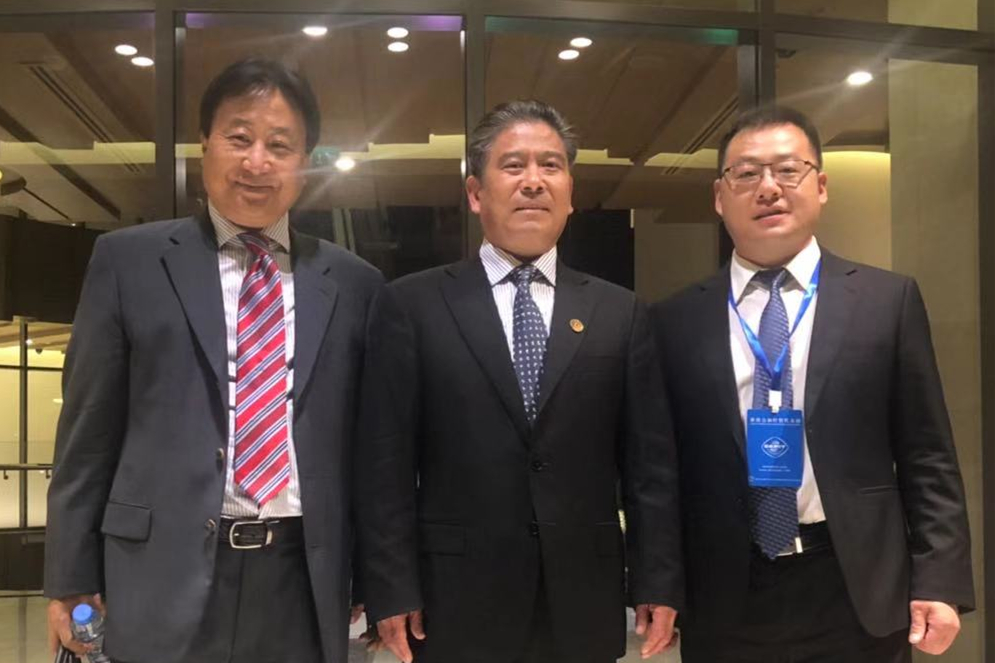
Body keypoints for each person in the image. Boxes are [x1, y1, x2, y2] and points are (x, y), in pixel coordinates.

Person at [44, 58, 381, 663]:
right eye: (239, 138)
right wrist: (70, 576)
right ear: (204, 145)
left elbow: (368, 449)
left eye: (280, 145)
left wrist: (372, 574)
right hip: (158, 569)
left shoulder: (354, 284)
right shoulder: (129, 262)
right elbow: (86, 434)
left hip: (301, 577)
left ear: (304, 162)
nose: (258, 162)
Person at [355, 100, 683, 663]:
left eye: (551, 165)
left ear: (570, 192)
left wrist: (657, 578)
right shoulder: (412, 305)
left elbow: (649, 468)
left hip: (583, 596)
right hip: (454, 597)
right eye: (513, 165)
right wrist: (390, 585)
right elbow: (385, 464)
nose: (534, 181)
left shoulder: (620, 312)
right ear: (476, 193)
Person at [651, 105, 974, 662]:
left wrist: (940, 580)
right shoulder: (674, 320)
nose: (768, 188)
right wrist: (660, 584)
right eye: (746, 174)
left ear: (821, 186)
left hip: (856, 586)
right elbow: (660, 472)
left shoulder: (885, 301)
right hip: (725, 591)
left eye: (788, 170)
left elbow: (928, 454)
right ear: (719, 197)